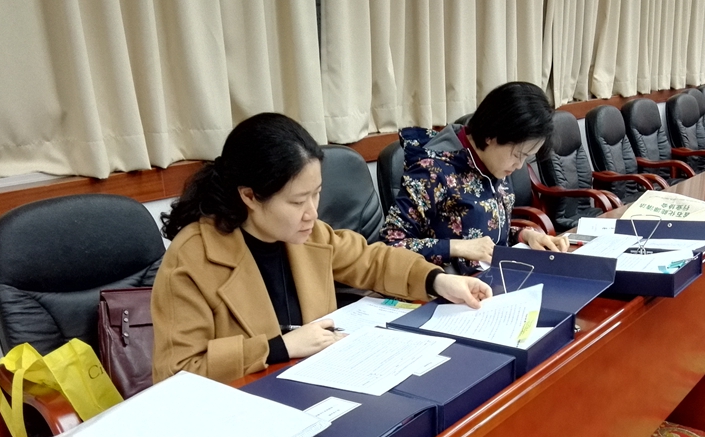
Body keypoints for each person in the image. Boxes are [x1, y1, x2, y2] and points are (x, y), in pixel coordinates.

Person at [152, 113, 491, 384]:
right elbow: (176, 371)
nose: (312, 212)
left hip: (318, 382)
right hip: (244, 407)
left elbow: (371, 260)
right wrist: (278, 347)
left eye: (316, 194)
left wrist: (436, 280)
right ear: (249, 196)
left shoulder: (307, 233)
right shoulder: (192, 258)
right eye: (297, 201)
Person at [381, 81, 570, 274]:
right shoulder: (432, 171)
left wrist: (524, 235)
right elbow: (389, 246)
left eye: (526, 157)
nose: (519, 165)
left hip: (495, 277)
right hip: (451, 286)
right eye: (517, 155)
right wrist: (456, 247)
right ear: (491, 136)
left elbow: (486, 234)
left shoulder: (492, 163)